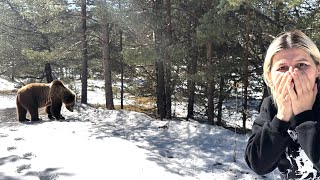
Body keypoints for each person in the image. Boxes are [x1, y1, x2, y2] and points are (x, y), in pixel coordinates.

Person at [245, 29, 320, 180]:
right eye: (282, 68)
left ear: (318, 69)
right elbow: (258, 165)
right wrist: (281, 116)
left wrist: (305, 115)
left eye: (302, 65)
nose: (292, 74)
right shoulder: (271, 106)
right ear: (269, 76)